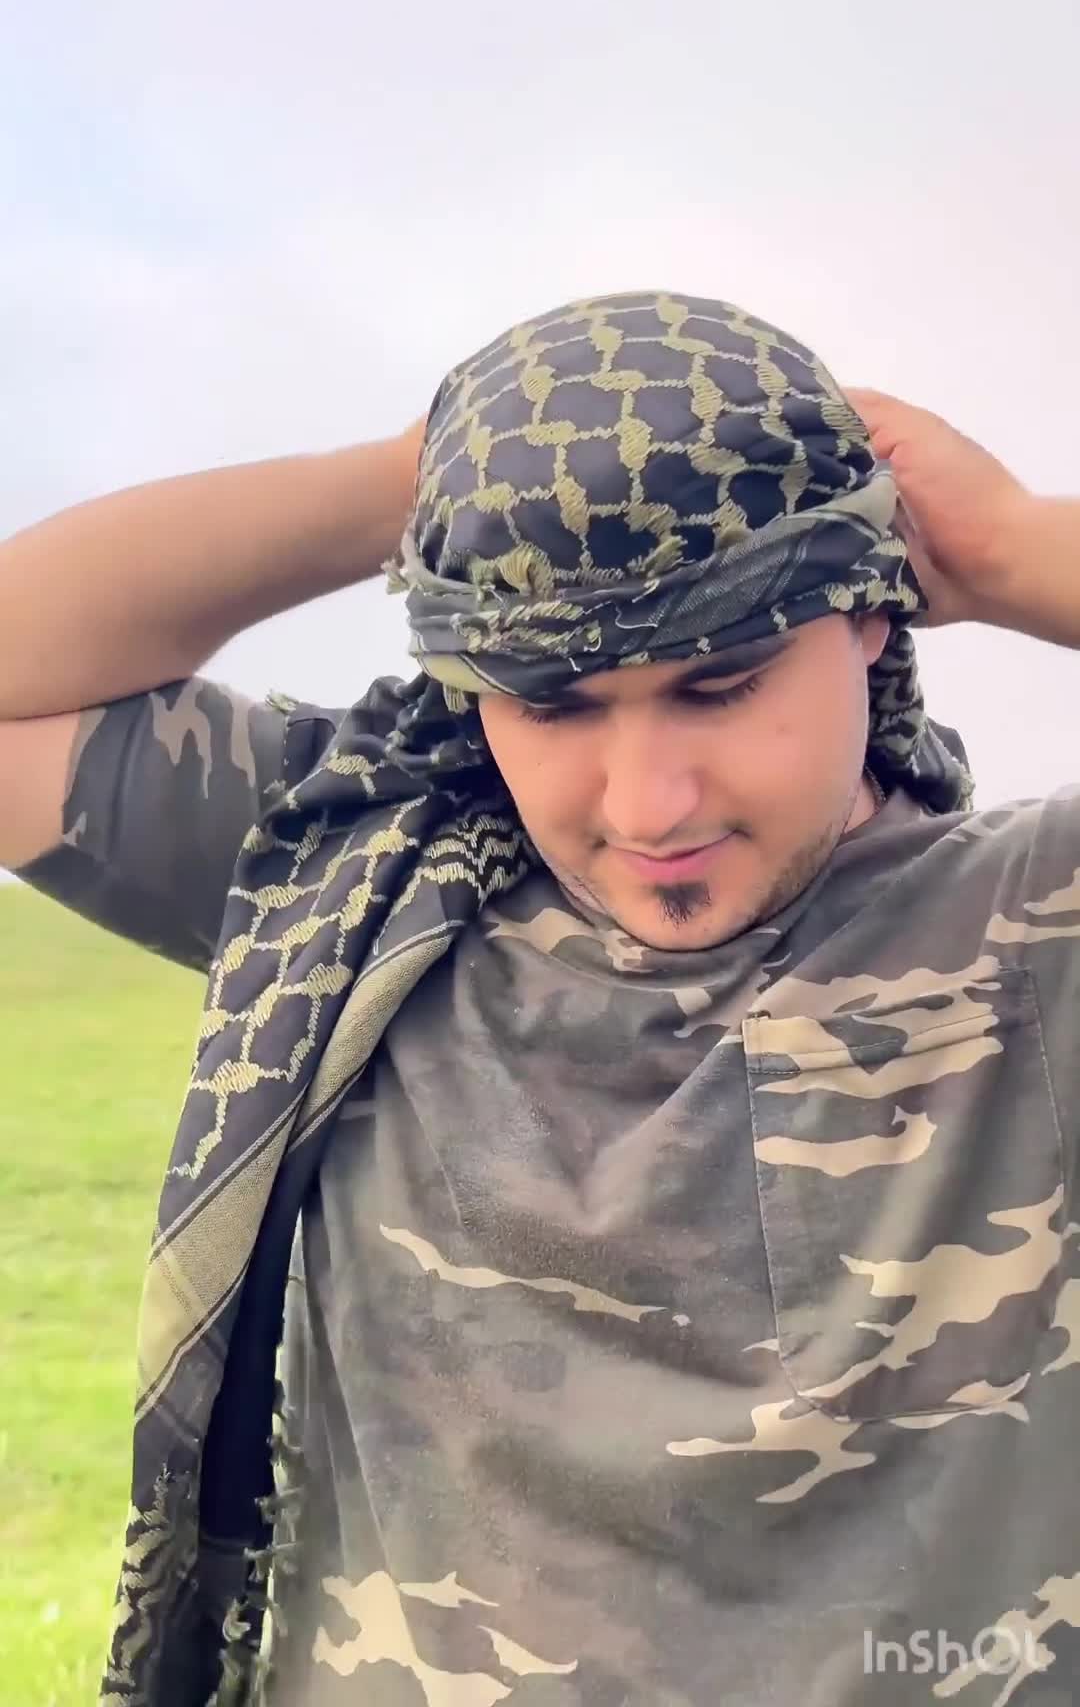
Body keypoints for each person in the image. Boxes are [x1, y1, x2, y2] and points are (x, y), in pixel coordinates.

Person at [3, 290, 1078, 1707]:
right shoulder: (366, 887)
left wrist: (1010, 547)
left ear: (872, 617)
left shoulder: (1034, 926)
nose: (647, 804)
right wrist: (425, 474)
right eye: (554, 704)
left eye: (722, 684)